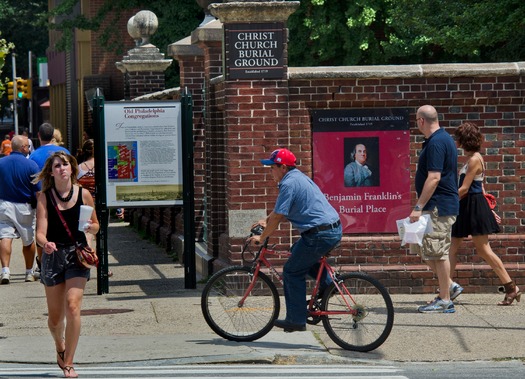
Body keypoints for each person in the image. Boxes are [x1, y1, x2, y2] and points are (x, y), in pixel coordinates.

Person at [248, 148, 342, 332]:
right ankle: (329, 284)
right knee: (296, 251)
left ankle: (296, 319)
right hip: (330, 229)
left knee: (291, 271)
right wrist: (265, 221)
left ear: (283, 167)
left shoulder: (288, 184)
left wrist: (262, 237)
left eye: (272, 167)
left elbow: (278, 216)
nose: (270, 171)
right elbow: (278, 212)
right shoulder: (297, 177)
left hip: (319, 234)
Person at [33, 151, 99, 378]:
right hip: (53, 256)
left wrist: (92, 229)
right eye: (57, 166)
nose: (61, 168)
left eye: (65, 165)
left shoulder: (85, 194)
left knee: (73, 306)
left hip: (77, 255)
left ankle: (69, 362)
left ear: (72, 168)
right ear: (51, 172)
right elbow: (39, 234)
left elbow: (96, 225)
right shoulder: (44, 197)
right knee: (54, 318)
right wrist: (46, 244)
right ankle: (59, 346)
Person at [450, 122, 520, 306]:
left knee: (483, 249)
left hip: (472, 205)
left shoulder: (474, 160)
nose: (457, 142)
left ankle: (511, 288)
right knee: (452, 248)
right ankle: (446, 289)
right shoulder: (473, 158)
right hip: (467, 206)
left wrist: (446, 200)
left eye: (459, 138)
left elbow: (465, 188)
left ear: (465, 140)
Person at [409, 105, 460, 313]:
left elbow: (434, 177)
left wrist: (418, 206)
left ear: (421, 120)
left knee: (438, 253)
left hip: (438, 206)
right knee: (425, 249)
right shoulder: (442, 139)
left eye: (416, 120)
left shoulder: (437, 142)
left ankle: (445, 299)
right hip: (437, 205)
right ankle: (449, 286)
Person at [30, 123, 70, 278]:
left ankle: (43, 264)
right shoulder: (64, 152)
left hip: (43, 198)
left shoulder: (34, 156)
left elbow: (31, 178)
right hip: (63, 197)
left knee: (41, 232)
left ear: (39, 136)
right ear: (53, 134)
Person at [0, 136, 41, 284]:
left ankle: (5, 271)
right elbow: (38, 190)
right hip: (24, 207)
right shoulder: (32, 165)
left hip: (3, 205)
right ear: (23, 148)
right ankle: (29, 272)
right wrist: (39, 206)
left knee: (4, 236)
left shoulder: (1, 163)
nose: (29, 149)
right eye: (27, 146)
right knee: (28, 239)